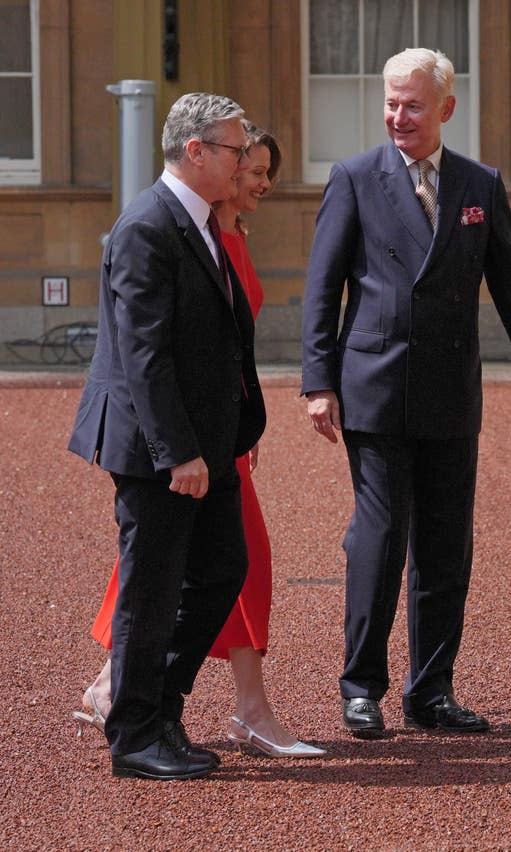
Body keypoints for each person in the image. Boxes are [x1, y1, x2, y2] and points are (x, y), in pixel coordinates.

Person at [301, 48, 511, 738]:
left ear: (447, 108)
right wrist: (317, 381)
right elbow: (323, 288)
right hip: (375, 387)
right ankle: (361, 687)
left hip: (452, 391)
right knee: (380, 537)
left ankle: (431, 691)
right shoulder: (355, 178)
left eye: (412, 104)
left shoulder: (480, 185)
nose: (397, 116)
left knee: (446, 546)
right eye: (390, 103)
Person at [73, 122, 324, 759]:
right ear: (198, 151)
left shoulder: (205, 224)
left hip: (209, 440)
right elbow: (145, 355)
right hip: (165, 447)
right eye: (240, 154)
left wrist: (230, 427)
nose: (250, 169)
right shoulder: (148, 224)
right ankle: (135, 734)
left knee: (220, 570)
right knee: (151, 589)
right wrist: (178, 451)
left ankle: (157, 708)